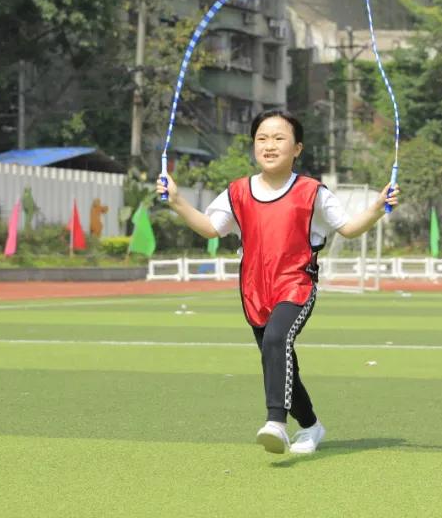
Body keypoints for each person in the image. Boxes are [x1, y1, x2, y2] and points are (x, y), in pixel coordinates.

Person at [156, 109, 400, 455]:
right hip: (254, 291)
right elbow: (212, 228)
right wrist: (178, 202)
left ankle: (276, 423)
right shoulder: (237, 192)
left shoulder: (312, 191)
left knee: (276, 339)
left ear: (297, 148)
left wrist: (376, 207)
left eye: (279, 138)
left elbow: (347, 227)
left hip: (296, 286)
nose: (269, 146)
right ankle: (312, 427)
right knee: (280, 361)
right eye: (262, 139)